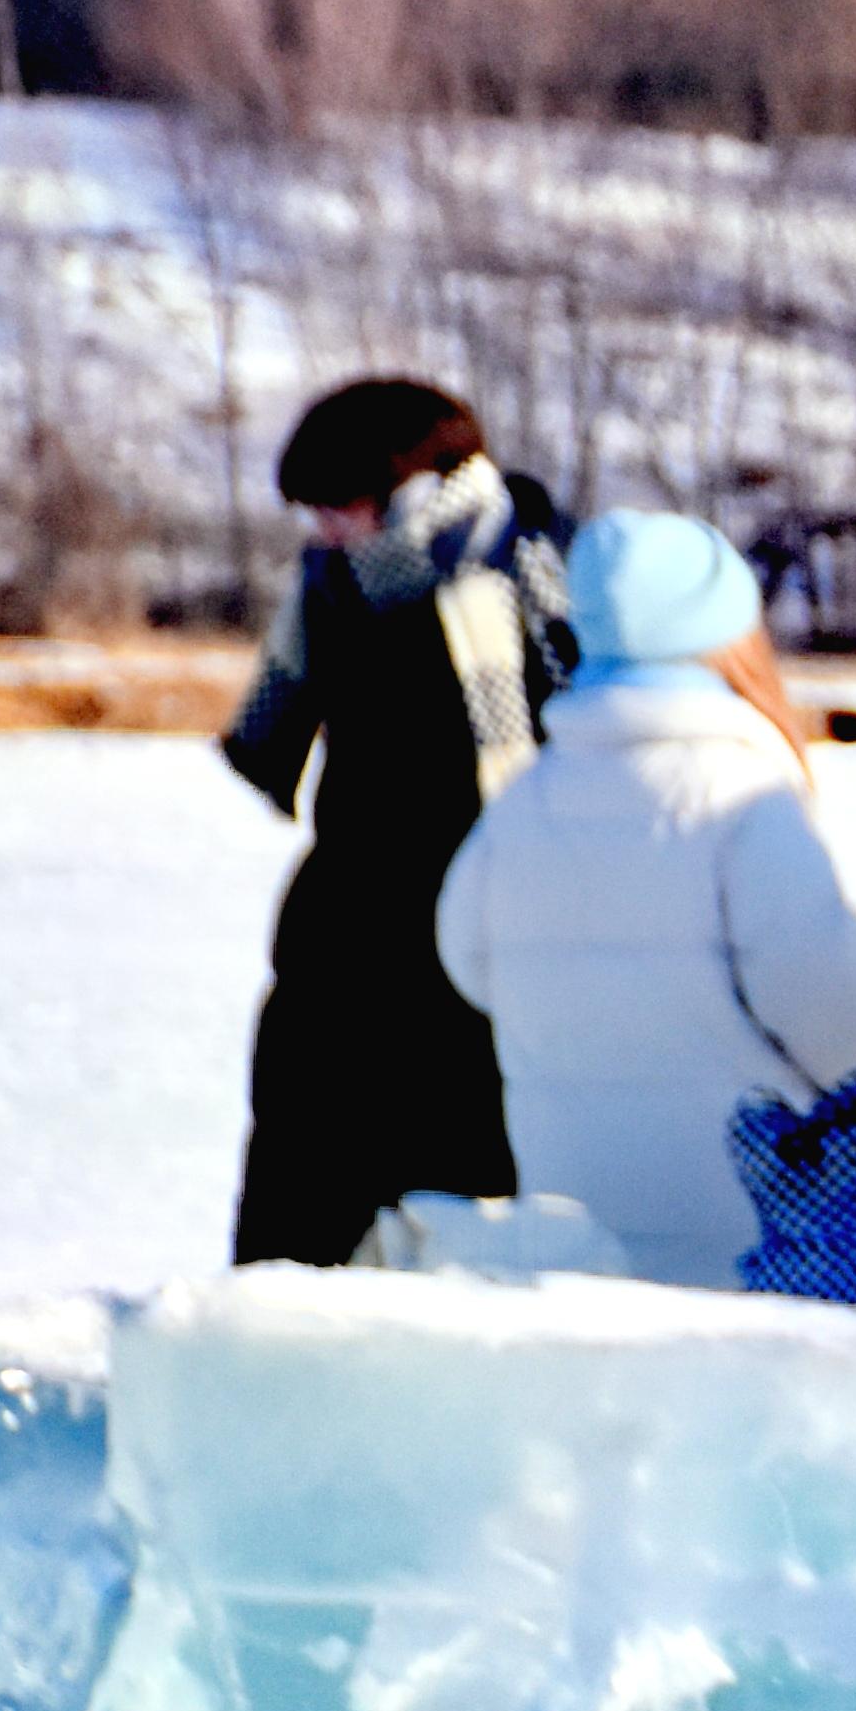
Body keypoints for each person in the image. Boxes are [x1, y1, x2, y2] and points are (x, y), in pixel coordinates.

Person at [431, 510, 856, 1287]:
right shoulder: (741, 800)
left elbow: (467, 960)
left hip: (578, 1254)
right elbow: (840, 1015)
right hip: (755, 1255)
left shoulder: (522, 804)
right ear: (729, 635)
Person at [220, 378, 565, 1268]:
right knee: (299, 1191)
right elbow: (277, 736)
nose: (322, 530)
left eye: (339, 506)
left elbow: (584, 742)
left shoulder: (538, 574)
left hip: (485, 933)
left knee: (464, 1191)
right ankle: (269, 1341)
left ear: (416, 488)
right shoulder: (335, 586)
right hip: (343, 933)